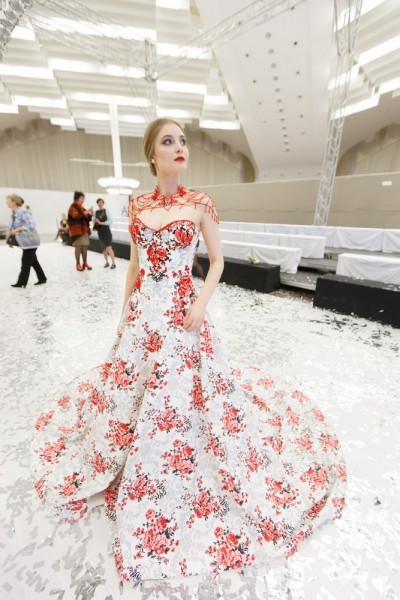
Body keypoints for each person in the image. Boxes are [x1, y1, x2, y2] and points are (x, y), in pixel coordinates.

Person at [31, 118, 346, 584]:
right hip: (144, 314)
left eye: (183, 141)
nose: (180, 147)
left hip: (183, 312)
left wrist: (200, 302)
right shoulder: (137, 204)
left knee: (188, 396)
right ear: (152, 154)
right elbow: (134, 267)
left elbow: (216, 261)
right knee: (130, 392)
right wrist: (124, 315)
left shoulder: (200, 203)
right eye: (168, 141)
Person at [6, 193, 46, 288]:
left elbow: (31, 225)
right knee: (33, 261)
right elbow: (12, 228)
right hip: (24, 242)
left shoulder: (23, 212)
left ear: (14, 202)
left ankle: (21, 282)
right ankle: (42, 278)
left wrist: (18, 229)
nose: (6, 203)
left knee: (26, 261)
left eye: (8, 201)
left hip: (30, 241)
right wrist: (12, 241)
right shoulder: (13, 213)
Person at [67, 191, 93, 271]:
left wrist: (90, 214)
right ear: (76, 198)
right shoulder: (73, 207)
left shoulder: (82, 207)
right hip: (76, 231)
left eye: (83, 198)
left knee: (85, 247)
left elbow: (87, 218)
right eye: (81, 198)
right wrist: (86, 212)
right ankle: (78, 263)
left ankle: (85, 263)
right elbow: (76, 216)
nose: (83, 200)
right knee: (78, 247)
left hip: (83, 230)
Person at [94, 198, 116, 269]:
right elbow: (94, 221)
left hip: (107, 231)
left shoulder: (106, 211)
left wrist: (102, 223)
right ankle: (107, 262)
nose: (100, 203)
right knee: (103, 248)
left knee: (109, 247)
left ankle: (113, 263)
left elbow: (111, 221)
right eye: (99, 202)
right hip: (100, 231)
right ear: (97, 204)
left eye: (101, 202)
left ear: (103, 203)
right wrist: (96, 221)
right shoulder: (96, 212)